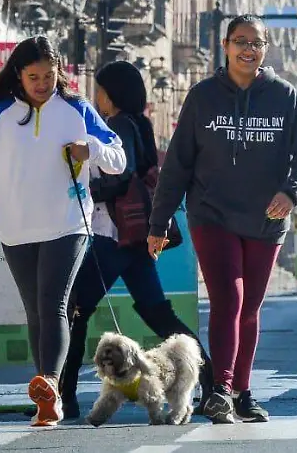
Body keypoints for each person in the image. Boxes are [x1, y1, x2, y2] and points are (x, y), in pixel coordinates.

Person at [148, 15, 297, 425]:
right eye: (240, 41)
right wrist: (158, 223)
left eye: (256, 43)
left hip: (266, 218)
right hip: (213, 214)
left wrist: (291, 192)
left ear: (265, 48)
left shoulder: (284, 97)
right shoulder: (203, 97)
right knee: (230, 300)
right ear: (225, 46)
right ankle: (221, 389)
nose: (248, 49)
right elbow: (177, 164)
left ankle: (243, 392)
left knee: (251, 309)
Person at [0, 36, 126, 428]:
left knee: (53, 303)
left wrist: (92, 150)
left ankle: (50, 385)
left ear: (59, 73)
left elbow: (118, 158)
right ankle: (46, 396)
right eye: (33, 76)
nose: (41, 83)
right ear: (18, 73)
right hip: (15, 228)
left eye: (49, 76)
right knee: (35, 310)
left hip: (67, 223)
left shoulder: (76, 109)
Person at [60, 60, 213, 420]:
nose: (96, 97)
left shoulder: (118, 125)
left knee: (74, 311)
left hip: (113, 235)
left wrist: (86, 191)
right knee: (158, 314)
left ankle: (63, 398)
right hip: (136, 236)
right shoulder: (141, 125)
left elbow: (121, 174)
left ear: (112, 93)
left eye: (99, 89)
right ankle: (211, 379)